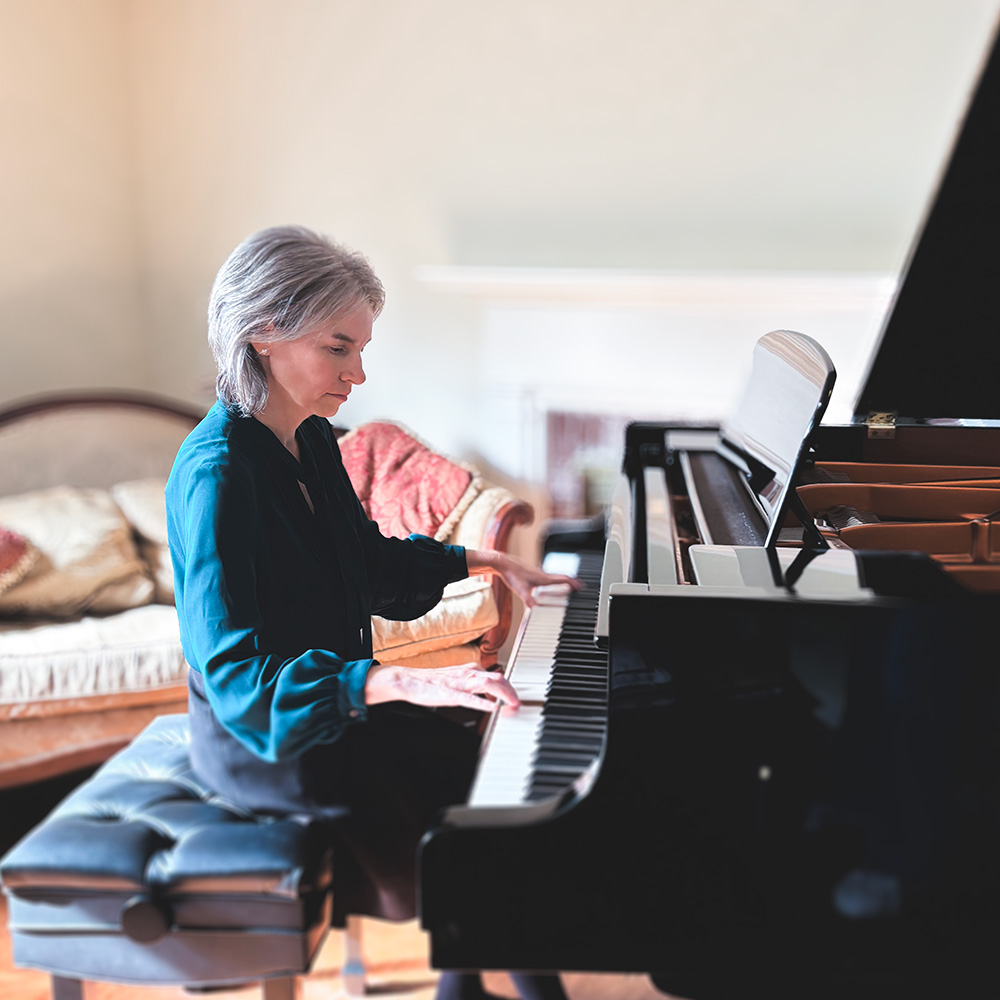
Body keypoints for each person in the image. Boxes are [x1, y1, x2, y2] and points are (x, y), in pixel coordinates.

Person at [166, 225, 574, 1000]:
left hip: (339, 707)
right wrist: (403, 682)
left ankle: (467, 985)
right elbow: (238, 681)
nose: (358, 373)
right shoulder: (217, 477)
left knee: (492, 787)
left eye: (361, 349)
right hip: (270, 741)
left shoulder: (309, 437)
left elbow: (365, 563)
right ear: (262, 334)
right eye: (338, 348)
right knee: (475, 831)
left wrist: (486, 561)